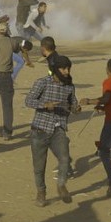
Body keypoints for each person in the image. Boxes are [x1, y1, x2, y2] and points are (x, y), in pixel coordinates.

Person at [24, 56, 80, 206]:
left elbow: (73, 104)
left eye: (68, 68)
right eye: (64, 68)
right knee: (39, 167)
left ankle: (61, 185)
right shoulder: (42, 82)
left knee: (64, 158)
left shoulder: (69, 86)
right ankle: (41, 193)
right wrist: (45, 104)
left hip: (58, 129)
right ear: (56, 69)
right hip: (40, 129)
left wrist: (77, 108)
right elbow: (28, 101)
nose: (67, 72)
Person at [81, 59, 111, 197]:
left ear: (107, 69)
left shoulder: (109, 82)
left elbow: (106, 98)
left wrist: (89, 101)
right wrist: (102, 107)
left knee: (103, 152)